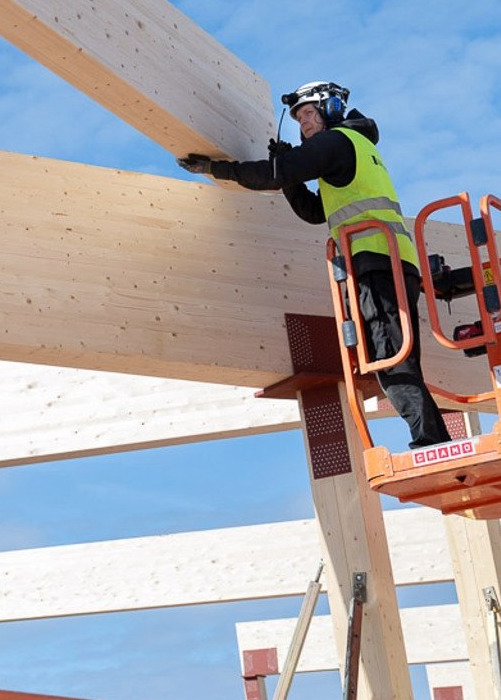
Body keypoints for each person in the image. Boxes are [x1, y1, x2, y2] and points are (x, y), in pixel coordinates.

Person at [179, 81, 452, 450]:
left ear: (331, 110)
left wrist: (220, 169)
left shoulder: (335, 142)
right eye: (298, 118)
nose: (303, 122)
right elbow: (313, 212)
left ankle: (429, 444)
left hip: (374, 261)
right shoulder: (356, 147)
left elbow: (272, 174)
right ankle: (436, 440)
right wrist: (289, 175)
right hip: (389, 261)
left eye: (309, 113)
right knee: (398, 356)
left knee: (389, 357)